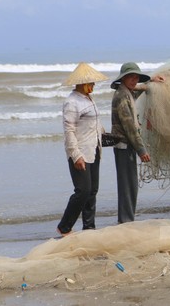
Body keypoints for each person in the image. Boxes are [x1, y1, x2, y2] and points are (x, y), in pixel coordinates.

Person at [57, 62, 109, 237]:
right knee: (83, 191)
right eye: (91, 82)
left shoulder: (88, 98)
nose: (93, 85)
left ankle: (89, 227)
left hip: (94, 149)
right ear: (81, 83)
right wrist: (76, 155)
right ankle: (64, 227)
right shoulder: (72, 102)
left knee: (93, 190)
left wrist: (103, 134)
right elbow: (69, 130)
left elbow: (93, 123)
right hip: (80, 152)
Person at [110, 62, 162, 224]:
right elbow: (130, 127)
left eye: (136, 77)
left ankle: (127, 219)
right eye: (130, 77)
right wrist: (141, 150)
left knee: (131, 185)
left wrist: (151, 81)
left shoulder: (127, 93)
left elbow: (139, 91)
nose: (134, 80)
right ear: (123, 78)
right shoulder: (121, 97)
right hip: (124, 146)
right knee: (127, 186)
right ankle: (125, 221)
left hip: (128, 146)